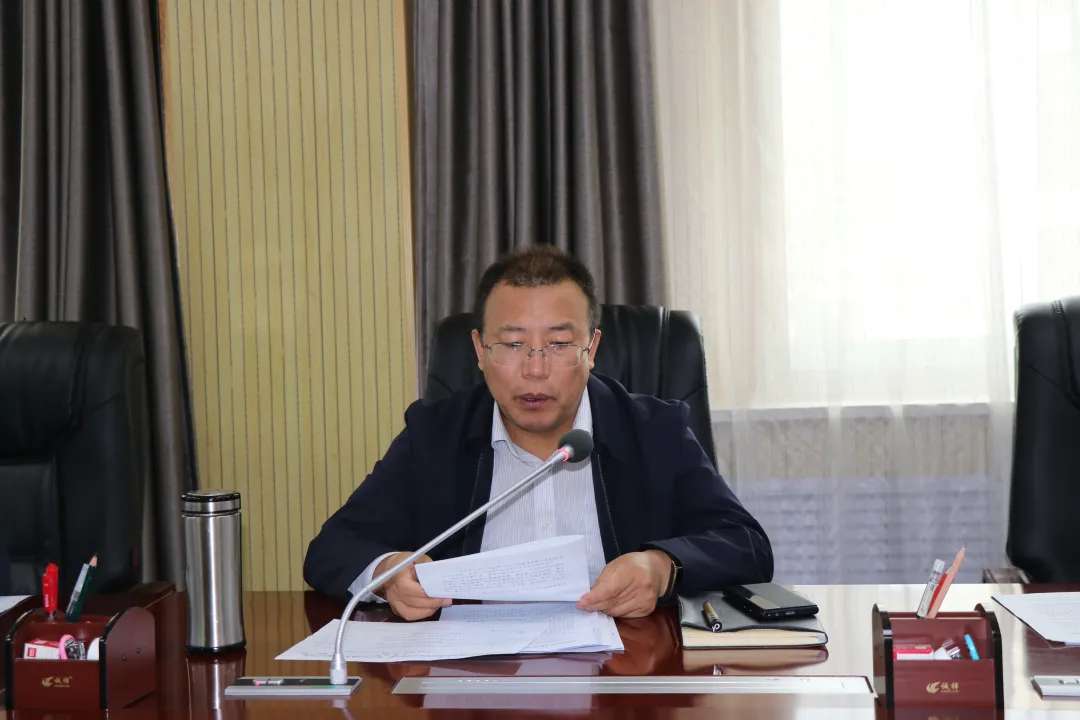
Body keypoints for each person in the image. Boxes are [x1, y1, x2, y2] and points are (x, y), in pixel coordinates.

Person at [304, 246, 772, 619]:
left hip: (620, 675)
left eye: (559, 343)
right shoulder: (435, 435)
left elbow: (745, 543)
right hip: (471, 679)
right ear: (479, 350)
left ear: (592, 348)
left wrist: (662, 566)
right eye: (513, 344)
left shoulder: (654, 432)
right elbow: (333, 548)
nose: (534, 369)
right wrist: (389, 572)